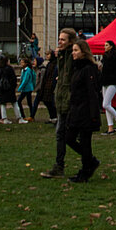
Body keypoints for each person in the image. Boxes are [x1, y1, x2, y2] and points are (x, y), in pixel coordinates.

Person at [64, 39, 102, 183]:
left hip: (85, 111)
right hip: (76, 109)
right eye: (73, 50)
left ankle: (86, 170)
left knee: (85, 142)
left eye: (76, 50)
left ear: (83, 52)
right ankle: (90, 161)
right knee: (70, 138)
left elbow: (92, 92)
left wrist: (93, 115)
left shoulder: (88, 69)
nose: (73, 53)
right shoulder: (77, 68)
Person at [41, 29, 77, 179]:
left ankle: (89, 159)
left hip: (71, 102)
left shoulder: (73, 57)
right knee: (60, 135)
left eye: (63, 39)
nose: (59, 42)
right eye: (59, 39)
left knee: (70, 136)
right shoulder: (62, 56)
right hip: (62, 101)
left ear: (70, 41)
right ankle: (59, 165)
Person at [98, 41, 116, 135]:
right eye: (104, 45)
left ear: (111, 46)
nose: (105, 47)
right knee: (107, 105)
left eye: (106, 45)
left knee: (105, 104)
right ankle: (110, 127)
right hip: (105, 82)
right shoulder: (104, 57)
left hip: (113, 82)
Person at [0, 55, 23, 124]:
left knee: (3, 104)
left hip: (2, 89)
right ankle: (19, 117)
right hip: (9, 89)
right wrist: (13, 86)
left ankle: (4, 118)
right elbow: (13, 79)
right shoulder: (9, 68)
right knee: (14, 103)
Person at [18, 56, 38, 123]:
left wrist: (20, 87)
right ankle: (31, 116)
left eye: (22, 62)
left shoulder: (28, 70)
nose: (21, 63)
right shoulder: (25, 70)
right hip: (27, 88)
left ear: (26, 63)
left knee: (19, 101)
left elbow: (25, 80)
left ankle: (23, 116)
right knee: (29, 102)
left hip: (27, 88)